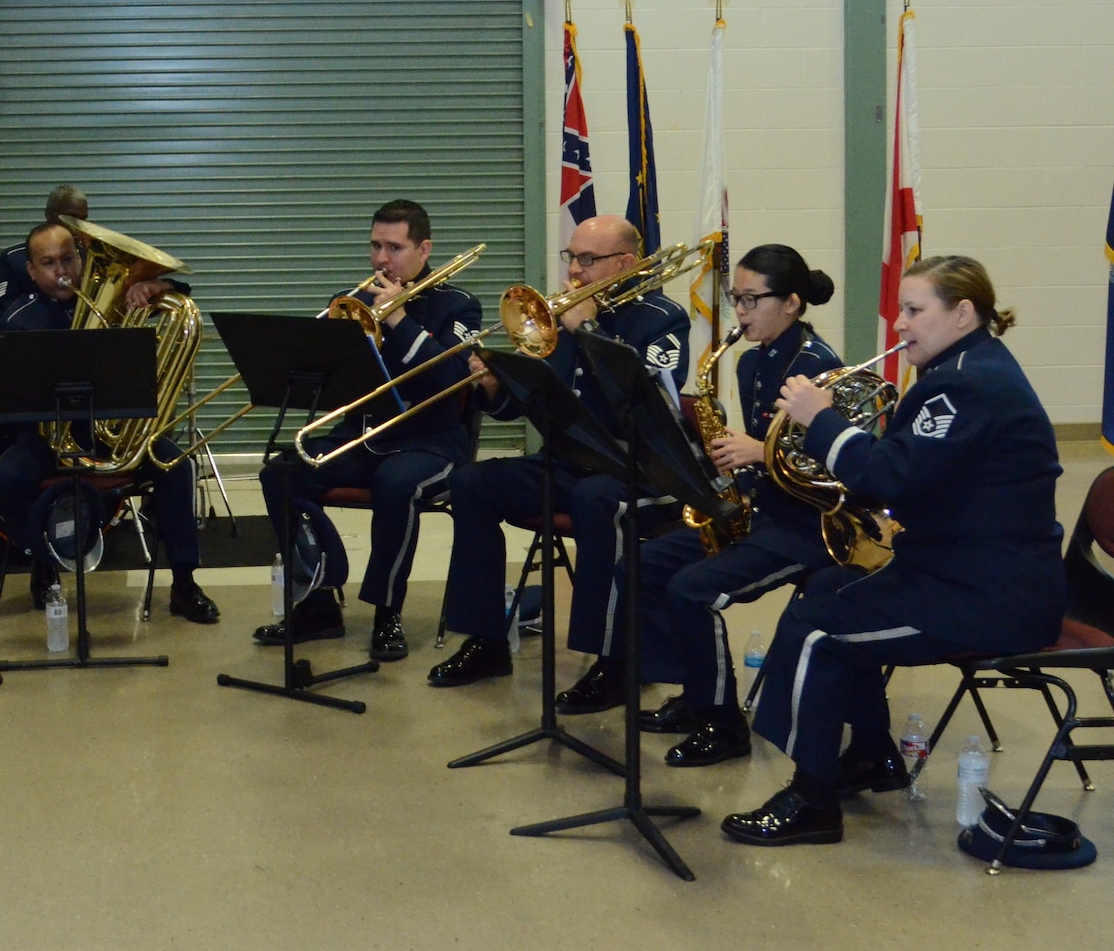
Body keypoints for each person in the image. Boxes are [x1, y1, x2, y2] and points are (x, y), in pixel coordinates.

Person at [723, 255, 1063, 846]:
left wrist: (822, 422)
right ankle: (871, 755)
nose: (900, 324)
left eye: (914, 310)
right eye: (901, 309)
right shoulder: (964, 366)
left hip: (988, 595)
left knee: (816, 628)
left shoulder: (966, 383)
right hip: (959, 572)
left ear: (963, 313)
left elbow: (890, 477)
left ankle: (812, 799)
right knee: (825, 588)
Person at [429, 215, 691, 703]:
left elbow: (651, 406)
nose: (574, 271)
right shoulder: (559, 319)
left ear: (626, 263)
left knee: (597, 501)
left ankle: (615, 661)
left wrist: (587, 328)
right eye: (571, 257)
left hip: (632, 470)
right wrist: (495, 383)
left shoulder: (662, 318)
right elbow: (528, 403)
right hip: (568, 460)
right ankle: (487, 639)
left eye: (587, 260)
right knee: (470, 483)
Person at [630, 245, 850, 767]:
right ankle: (696, 691)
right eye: (736, 300)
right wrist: (732, 452)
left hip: (812, 527)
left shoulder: (820, 368)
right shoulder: (753, 360)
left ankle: (723, 725)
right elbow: (760, 447)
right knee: (645, 563)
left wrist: (758, 452)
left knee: (691, 589)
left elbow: (835, 468)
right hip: (763, 510)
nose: (741, 313)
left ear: (792, 303)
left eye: (752, 300)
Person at [254, 199, 482, 662]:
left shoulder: (459, 305)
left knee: (395, 484)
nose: (381, 259)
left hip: (431, 441)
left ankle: (386, 611)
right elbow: (332, 383)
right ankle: (319, 594)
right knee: (280, 474)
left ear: (424, 250)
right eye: (376, 245)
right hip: (364, 434)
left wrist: (398, 319)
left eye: (394, 248)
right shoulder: (353, 301)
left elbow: (452, 379)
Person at [0, 220, 220, 623]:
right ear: (30, 271)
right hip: (48, 436)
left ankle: (184, 583)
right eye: (47, 263)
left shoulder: (107, 301)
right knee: (2, 481)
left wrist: (157, 288)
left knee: (178, 468)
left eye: (68, 259)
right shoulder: (17, 320)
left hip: (113, 433)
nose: (61, 271)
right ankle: (46, 557)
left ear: (79, 258)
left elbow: (178, 295)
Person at [0, 184, 89, 330]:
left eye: (83, 220)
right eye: (70, 218)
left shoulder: (87, 256)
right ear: (49, 215)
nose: (78, 226)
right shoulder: (14, 259)